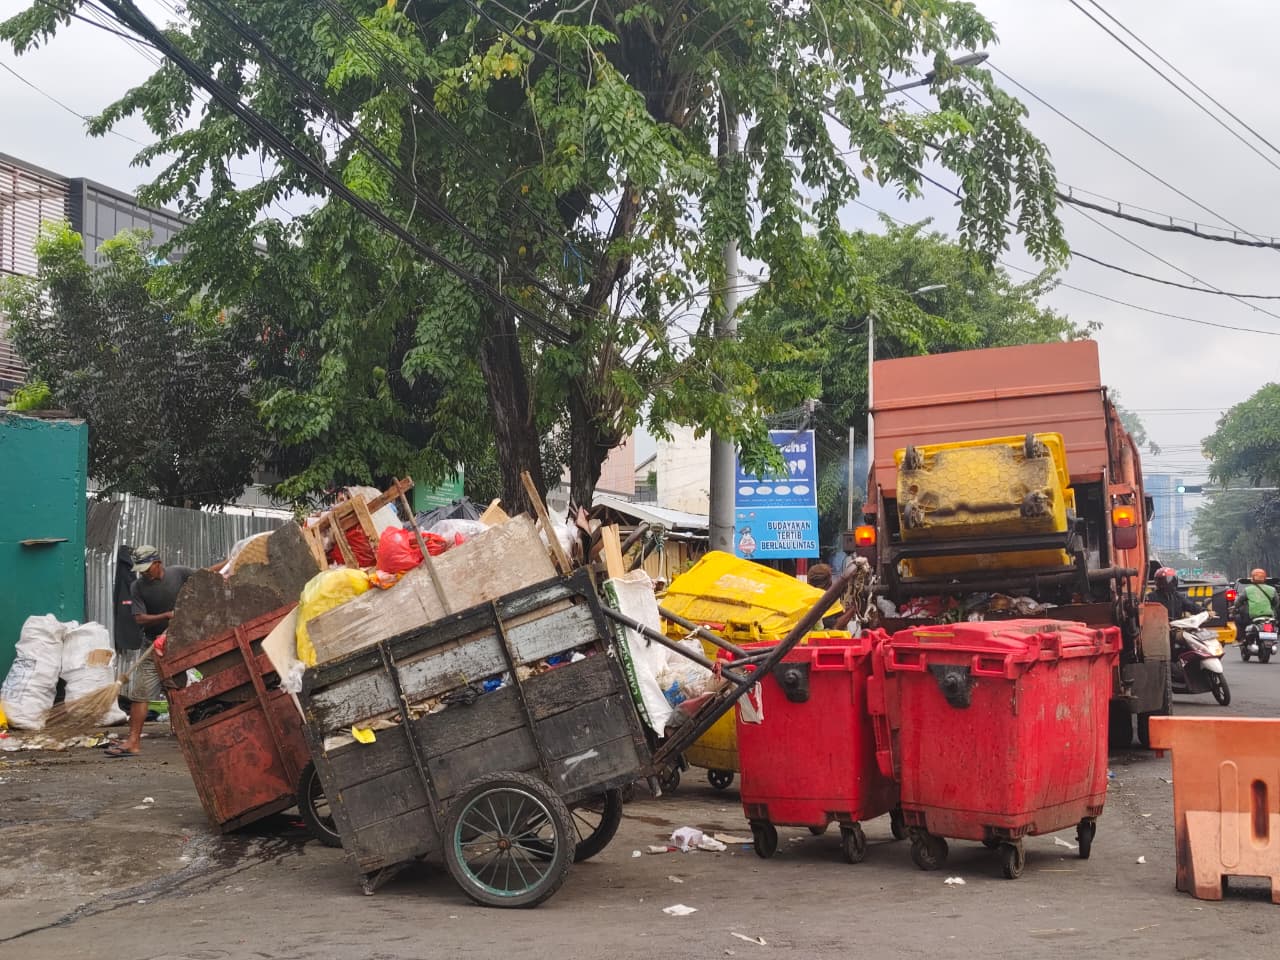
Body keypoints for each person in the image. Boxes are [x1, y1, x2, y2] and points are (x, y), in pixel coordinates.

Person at [105, 545, 194, 758]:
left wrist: (231, 562)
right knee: (140, 693)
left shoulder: (178, 573)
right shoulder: (138, 587)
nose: (144, 573)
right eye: (141, 570)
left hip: (180, 643)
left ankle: (185, 736)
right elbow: (139, 619)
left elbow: (206, 577)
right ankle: (133, 742)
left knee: (177, 691)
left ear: (158, 563)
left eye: (147, 569)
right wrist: (166, 616)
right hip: (153, 645)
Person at [1232, 567, 1278, 639]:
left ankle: (1242, 639)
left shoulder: (1248, 590)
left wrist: (1236, 607)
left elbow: (1237, 602)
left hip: (1252, 616)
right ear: (1264, 578)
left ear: (1252, 578)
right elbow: (1276, 603)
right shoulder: (1272, 589)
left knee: (1237, 618)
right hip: (1269, 616)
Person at [806, 563, 842, 629]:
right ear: (829, 582)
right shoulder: (829, 601)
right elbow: (836, 626)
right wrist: (852, 609)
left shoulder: (804, 597)